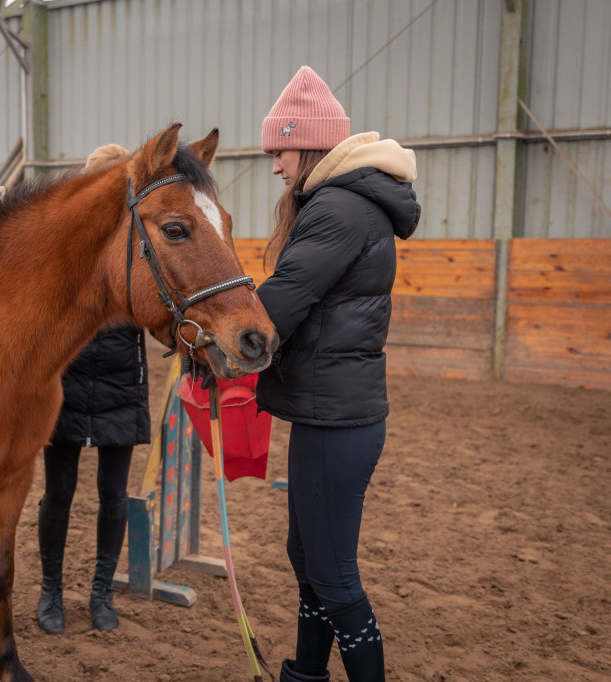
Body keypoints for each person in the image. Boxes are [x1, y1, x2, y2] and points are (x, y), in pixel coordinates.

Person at [255, 66, 420, 682]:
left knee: (333, 573)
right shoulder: (346, 202)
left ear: (311, 141)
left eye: (280, 149)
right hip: (329, 410)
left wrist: (217, 342)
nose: (275, 164)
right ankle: (307, 672)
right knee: (309, 557)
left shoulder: (340, 209)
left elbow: (284, 300)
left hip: (336, 416)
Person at [36, 324, 150, 634]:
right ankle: (51, 592)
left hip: (122, 384)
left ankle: (102, 595)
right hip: (64, 382)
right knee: (58, 492)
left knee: (114, 492)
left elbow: (167, 314)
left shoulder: (133, 274)